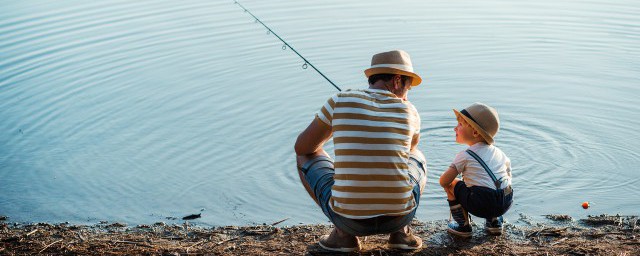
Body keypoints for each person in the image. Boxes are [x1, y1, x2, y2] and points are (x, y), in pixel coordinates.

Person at [294, 50, 427, 252]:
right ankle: (402, 233)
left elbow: (302, 148)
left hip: (349, 220)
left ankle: (343, 235)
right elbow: (410, 150)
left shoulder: (339, 100)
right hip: (399, 217)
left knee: (305, 156)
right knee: (418, 157)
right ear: (397, 81)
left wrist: (337, 128)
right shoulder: (410, 111)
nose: (407, 95)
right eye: (408, 87)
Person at [439, 102, 513, 237]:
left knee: (452, 184)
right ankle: (494, 222)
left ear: (474, 132)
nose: (455, 128)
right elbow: (508, 176)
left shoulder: (464, 156)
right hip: (506, 201)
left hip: (482, 203)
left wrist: (459, 182)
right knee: (494, 184)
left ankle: (463, 226)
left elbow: (444, 181)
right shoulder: (499, 153)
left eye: (460, 125)